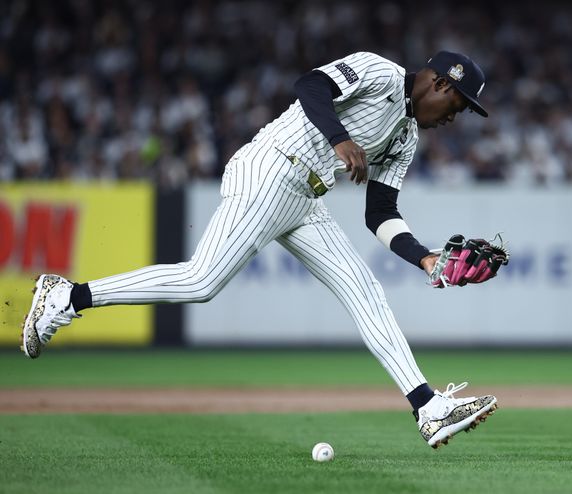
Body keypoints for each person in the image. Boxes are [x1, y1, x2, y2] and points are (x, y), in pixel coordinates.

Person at [21, 51, 497, 448]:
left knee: (365, 291)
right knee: (201, 281)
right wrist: (340, 138)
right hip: (271, 167)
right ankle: (67, 296)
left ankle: (428, 407)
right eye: (458, 102)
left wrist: (426, 259)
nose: (456, 115)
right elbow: (310, 85)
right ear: (437, 83)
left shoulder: (406, 138)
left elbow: (381, 214)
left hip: (305, 199)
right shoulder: (380, 71)